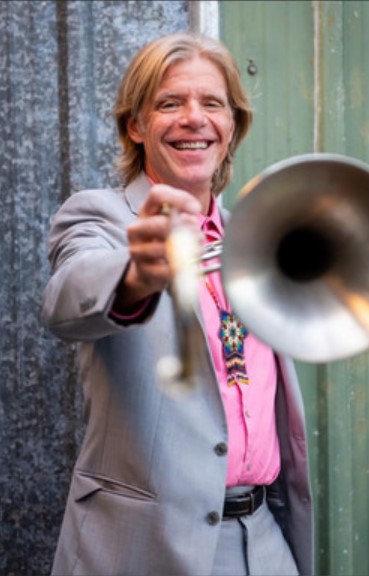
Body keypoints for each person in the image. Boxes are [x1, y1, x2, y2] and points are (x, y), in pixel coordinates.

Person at [42, 32, 313, 576]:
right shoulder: (99, 217)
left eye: (212, 103)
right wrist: (136, 275)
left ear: (232, 125)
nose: (194, 118)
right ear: (136, 126)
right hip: (143, 548)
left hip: (264, 541)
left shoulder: (257, 239)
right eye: (170, 103)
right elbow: (66, 300)